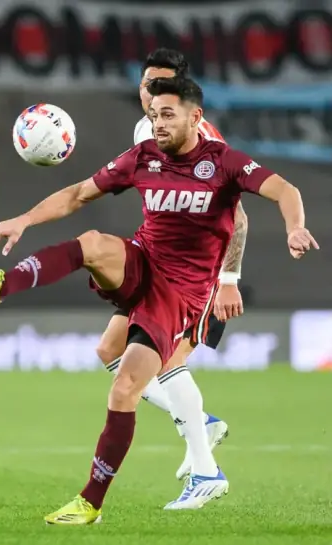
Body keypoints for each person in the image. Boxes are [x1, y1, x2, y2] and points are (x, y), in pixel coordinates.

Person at [0, 76, 316, 522]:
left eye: (167, 115)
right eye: (153, 115)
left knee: (125, 387)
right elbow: (78, 194)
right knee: (92, 243)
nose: (157, 124)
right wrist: (23, 219)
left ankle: (91, 501)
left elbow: (286, 190)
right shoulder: (142, 157)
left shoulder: (224, 162)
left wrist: (294, 226)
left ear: (196, 118)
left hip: (180, 292)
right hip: (143, 261)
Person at [99, 48, 244, 482]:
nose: (150, 93)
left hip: (201, 275)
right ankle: (203, 424)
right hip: (161, 267)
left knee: (163, 361)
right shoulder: (148, 128)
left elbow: (237, 215)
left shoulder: (203, 138)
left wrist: (229, 280)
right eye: (146, 85)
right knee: (110, 350)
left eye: (160, 85)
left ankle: (205, 468)